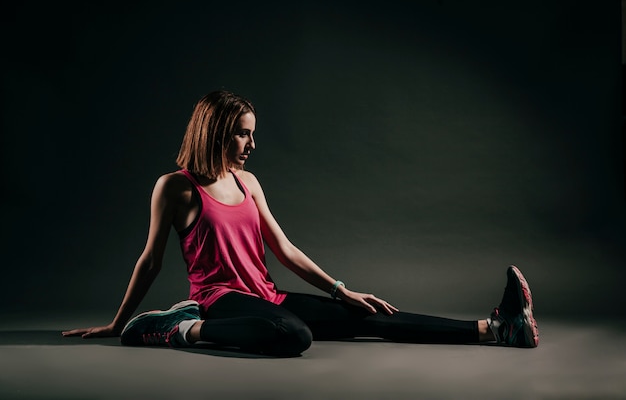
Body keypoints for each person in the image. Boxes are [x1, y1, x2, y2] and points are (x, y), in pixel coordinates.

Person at [63, 89, 539, 356]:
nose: (251, 144)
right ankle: (175, 329)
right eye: (243, 134)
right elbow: (150, 261)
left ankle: (495, 329)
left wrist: (340, 290)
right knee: (294, 336)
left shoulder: (249, 182)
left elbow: (284, 250)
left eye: (253, 135)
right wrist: (116, 322)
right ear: (215, 132)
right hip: (218, 301)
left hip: (265, 294)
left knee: (366, 316)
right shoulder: (176, 187)